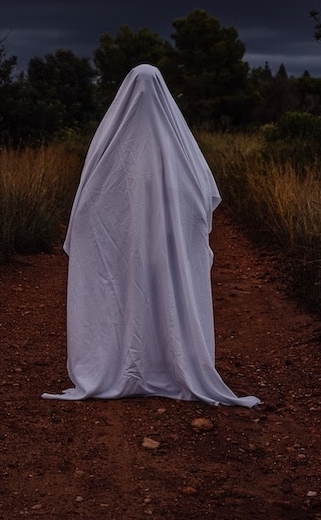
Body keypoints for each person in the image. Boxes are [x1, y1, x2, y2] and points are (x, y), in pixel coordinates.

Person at [42, 64, 259, 407]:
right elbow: (201, 192)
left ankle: (134, 363)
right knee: (154, 289)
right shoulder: (174, 139)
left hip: (146, 239)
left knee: (137, 288)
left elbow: (92, 194)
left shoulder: (112, 136)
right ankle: (156, 362)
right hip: (155, 239)